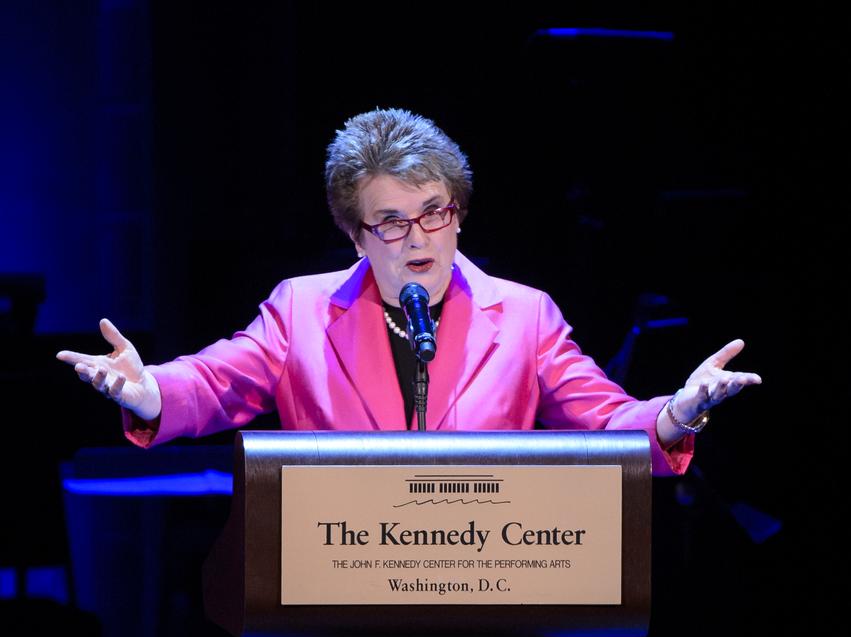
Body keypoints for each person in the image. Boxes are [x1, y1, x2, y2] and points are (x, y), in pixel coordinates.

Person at [57, 108, 760, 471]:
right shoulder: (301, 310)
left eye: (434, 212)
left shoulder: (522, 316)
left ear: (457, 213)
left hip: (491, 595)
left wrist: (675, 414)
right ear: (355, 236)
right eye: (391, 222)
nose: (418, 237)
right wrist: (148, 390)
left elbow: (607, 423)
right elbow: (215, 383)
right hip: (331, 604)